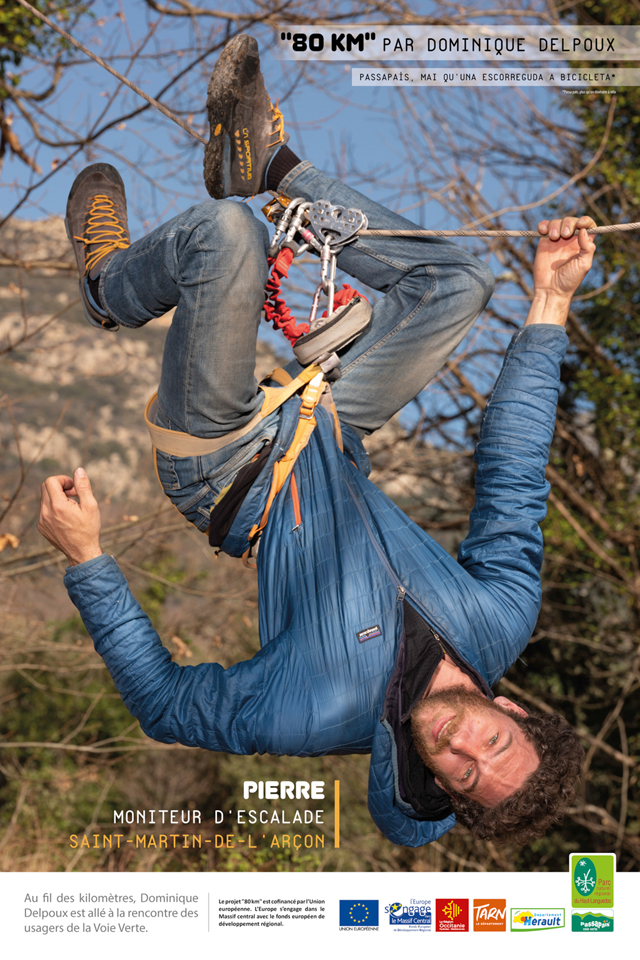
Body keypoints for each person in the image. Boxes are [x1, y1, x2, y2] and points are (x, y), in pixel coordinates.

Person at [38, 35, 588, 848]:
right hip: (326, 425)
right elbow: (513, 473)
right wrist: (550, 302)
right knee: (457, 284)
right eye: (493, 743)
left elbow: (165, 705)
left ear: (438, 786)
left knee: (225, 238)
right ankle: (269, 169)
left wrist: (88, 560)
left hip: (227, 465)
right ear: (514, 711)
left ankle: (107, 288)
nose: (463, 747)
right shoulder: (499, 618)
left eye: (463, 774)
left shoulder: (315, 710)